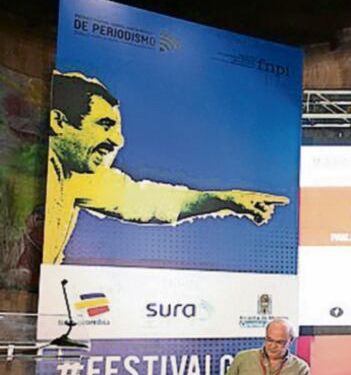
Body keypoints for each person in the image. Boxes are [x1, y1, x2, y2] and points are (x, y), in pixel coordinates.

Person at [44, 71, 289, 265]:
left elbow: (149, 202)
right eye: (105, 125)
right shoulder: (31, 163)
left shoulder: (79, 176)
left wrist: (226, 200)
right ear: (58, 122)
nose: (118, 140)